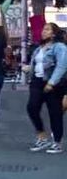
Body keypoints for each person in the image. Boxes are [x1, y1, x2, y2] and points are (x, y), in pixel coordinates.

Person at [25, 22, 67, 154]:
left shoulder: (59, 47)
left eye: (47, 29)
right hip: (37, 82)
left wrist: (52, 82)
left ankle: (57, 142)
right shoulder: (39, 48)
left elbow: (62, 66)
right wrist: (29, 69)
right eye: (43, 29)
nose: (44, 31)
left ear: (54, 34)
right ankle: (42, 136)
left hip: (52, 83)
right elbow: (37, 64)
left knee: (55, 112)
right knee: (32, 107)